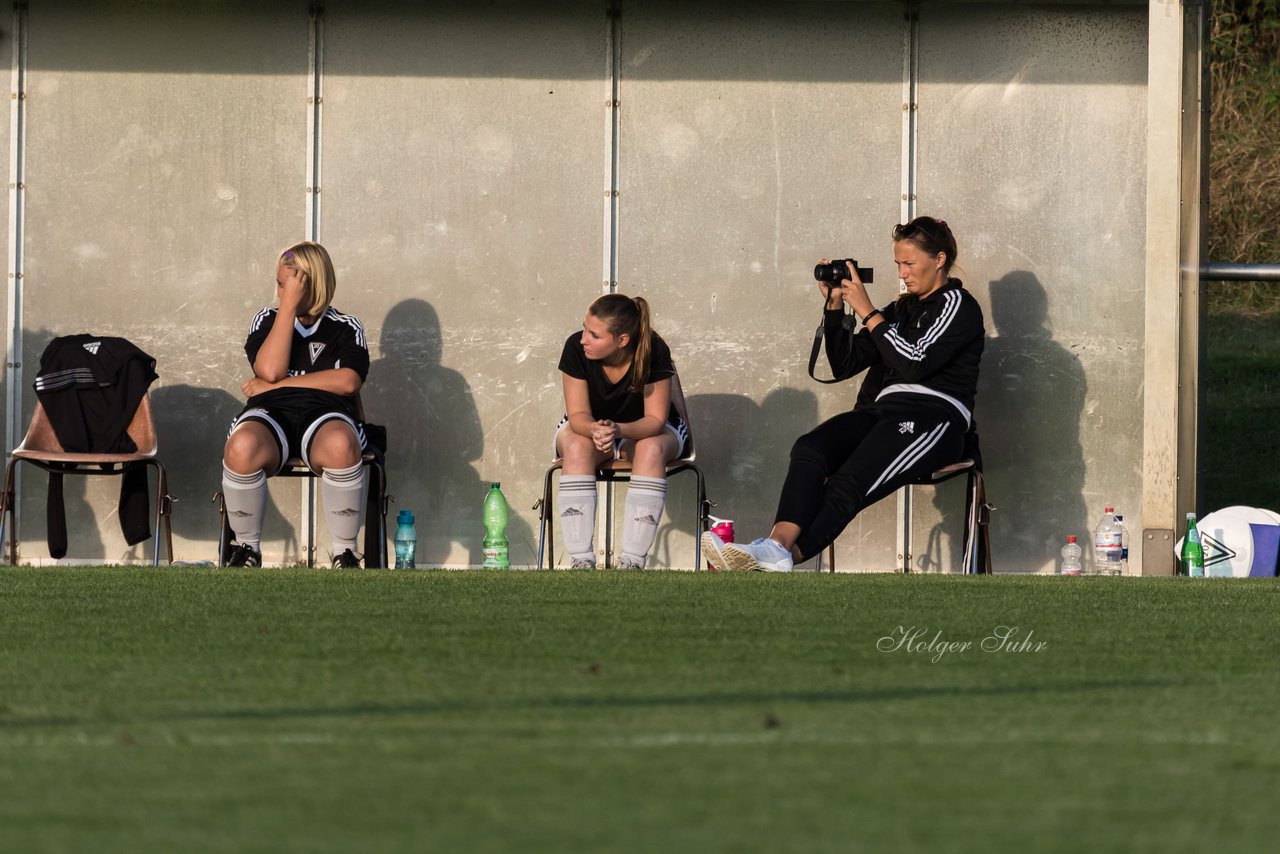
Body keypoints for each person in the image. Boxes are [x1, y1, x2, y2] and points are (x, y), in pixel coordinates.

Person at [703, 216, 984, 572]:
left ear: (939, 259)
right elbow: (845, 363)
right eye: (898, 263)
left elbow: (915, 362)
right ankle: (775, 546)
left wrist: (866, 310)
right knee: (810, 448)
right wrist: (835, 308)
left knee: (851, 479)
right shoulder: (898, 310)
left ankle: (784, 557)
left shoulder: (957, 304)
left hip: (933, 417)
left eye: (910, 263)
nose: (902, 273)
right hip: (882, 412)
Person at [221, 241, 371, 568]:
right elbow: (269, 370)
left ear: (311, 284)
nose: (279, 292)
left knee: (342, 443)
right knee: (242, 445)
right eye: (279, 284)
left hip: (325, 413)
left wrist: (283, 383)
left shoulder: (346, 326)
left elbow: (347, 382)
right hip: (270, 412)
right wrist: (287, 309)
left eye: (286, 286)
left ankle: (346, 552)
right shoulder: (267, 319)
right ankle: (247, 549)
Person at [554, 293, 688, 569]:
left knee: (651, 448)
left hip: (647, 430)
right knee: (576, 446)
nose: (583, 339)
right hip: (593, 429)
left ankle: (632, 562)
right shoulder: (575, 348)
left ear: (622, 340)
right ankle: (581, 562)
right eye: (584, 329)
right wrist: (595, 429)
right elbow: (578, 415)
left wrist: (618, 430)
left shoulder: (653, 349)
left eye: (594, 335)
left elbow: (655, 420)